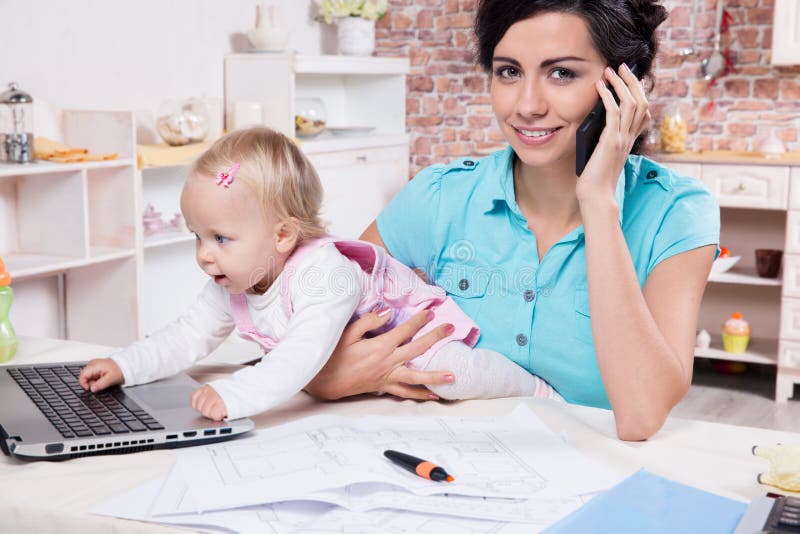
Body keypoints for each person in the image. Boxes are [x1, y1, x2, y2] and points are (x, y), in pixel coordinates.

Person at [304, 0, 720, 441]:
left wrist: (598, 201)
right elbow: (311, 322)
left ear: (624, 88)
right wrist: (323, 378)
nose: (527, 106)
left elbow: (641, 416)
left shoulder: (676, 213)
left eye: (562, 73)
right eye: (508, 72)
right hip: (442, 464)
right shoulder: (438, 197)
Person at [78, 128, 561, 421]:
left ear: (283, 236)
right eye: (197, 237)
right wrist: (127, 365)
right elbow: (185, 337)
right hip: (359, 368)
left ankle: (537, 390)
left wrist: (234, 394)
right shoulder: (233, 281)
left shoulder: (322, 275)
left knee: (453, 376)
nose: (205, 256)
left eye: (221, 239)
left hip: (413, 332)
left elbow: (300, 357)